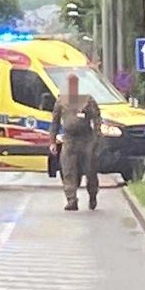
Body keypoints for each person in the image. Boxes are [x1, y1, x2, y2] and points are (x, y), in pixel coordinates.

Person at [49, 74, 102, 211]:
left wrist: (96, 137)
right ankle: (71, 199)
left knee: (90, 170)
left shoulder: (87, 100)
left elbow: (97, 119)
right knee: (68, 170)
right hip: (69, 140)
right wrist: (53, 141)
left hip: (86, 140)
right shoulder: (61, 101)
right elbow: (54, 122)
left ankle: (92, 195)